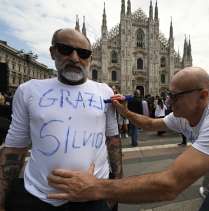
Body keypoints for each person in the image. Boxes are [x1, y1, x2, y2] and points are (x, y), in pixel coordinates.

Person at [48, 67, 209, 211]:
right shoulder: (184, 115)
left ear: (203, 96)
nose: (169, 101)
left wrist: (97, 187)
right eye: (169, 94)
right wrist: (124, 112)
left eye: (176, 95)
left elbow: (170, 185)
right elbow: (151, 123)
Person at [0, 28, 122, 211]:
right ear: (52, 52)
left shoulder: (105, 91)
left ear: (90, 57)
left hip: (95, 195)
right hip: (40, 197)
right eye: (66, 49)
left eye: (83, 53)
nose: (74, 58)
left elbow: (113, 141)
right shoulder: (28, 90)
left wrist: (115, 190)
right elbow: (14, 149)